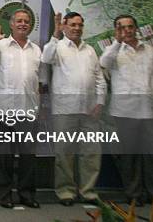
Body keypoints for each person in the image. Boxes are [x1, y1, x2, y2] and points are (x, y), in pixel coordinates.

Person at [41, 12, 106, 206]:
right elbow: (45, 57)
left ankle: (88, 191)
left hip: (90, 110)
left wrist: (100, 101)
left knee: (91, 153)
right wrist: (55, 32)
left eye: (79, 25)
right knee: (65, 153)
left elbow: (99, 77)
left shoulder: (90, 50)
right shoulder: (58, 47)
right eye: (72, 25)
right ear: (65, 26)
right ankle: (65, 191)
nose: (76, 28)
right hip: (64, 109)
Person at [0, 9, 42, 209]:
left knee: (27, 158)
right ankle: (4, 195)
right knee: (4, 158)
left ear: (30, 25)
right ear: (12, 24)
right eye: (19, 21)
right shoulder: (1, 45)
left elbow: (38, 82)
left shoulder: (37, 50)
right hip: (5, 112)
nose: (23, 24)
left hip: (29, 111)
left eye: (26, 21)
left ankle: (26, 194)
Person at [99, 14, 153, 207]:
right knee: (129, 156)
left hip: (150, 111)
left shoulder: (150, 51)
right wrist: (117, 42)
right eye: (121, 27)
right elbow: (104, 63)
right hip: (124, 112)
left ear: (136, 28)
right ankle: (134, 194)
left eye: (129, 26)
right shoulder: (114, 51)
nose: (126, 30)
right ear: (116, 30)